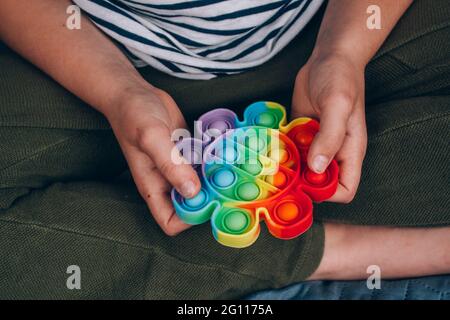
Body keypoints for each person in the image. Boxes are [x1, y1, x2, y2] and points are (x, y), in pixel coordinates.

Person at [0, 0, 448, 299]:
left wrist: (343, 51)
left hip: (336, 29)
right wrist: (118, 93)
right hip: (93, 55)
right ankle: (332, 247)